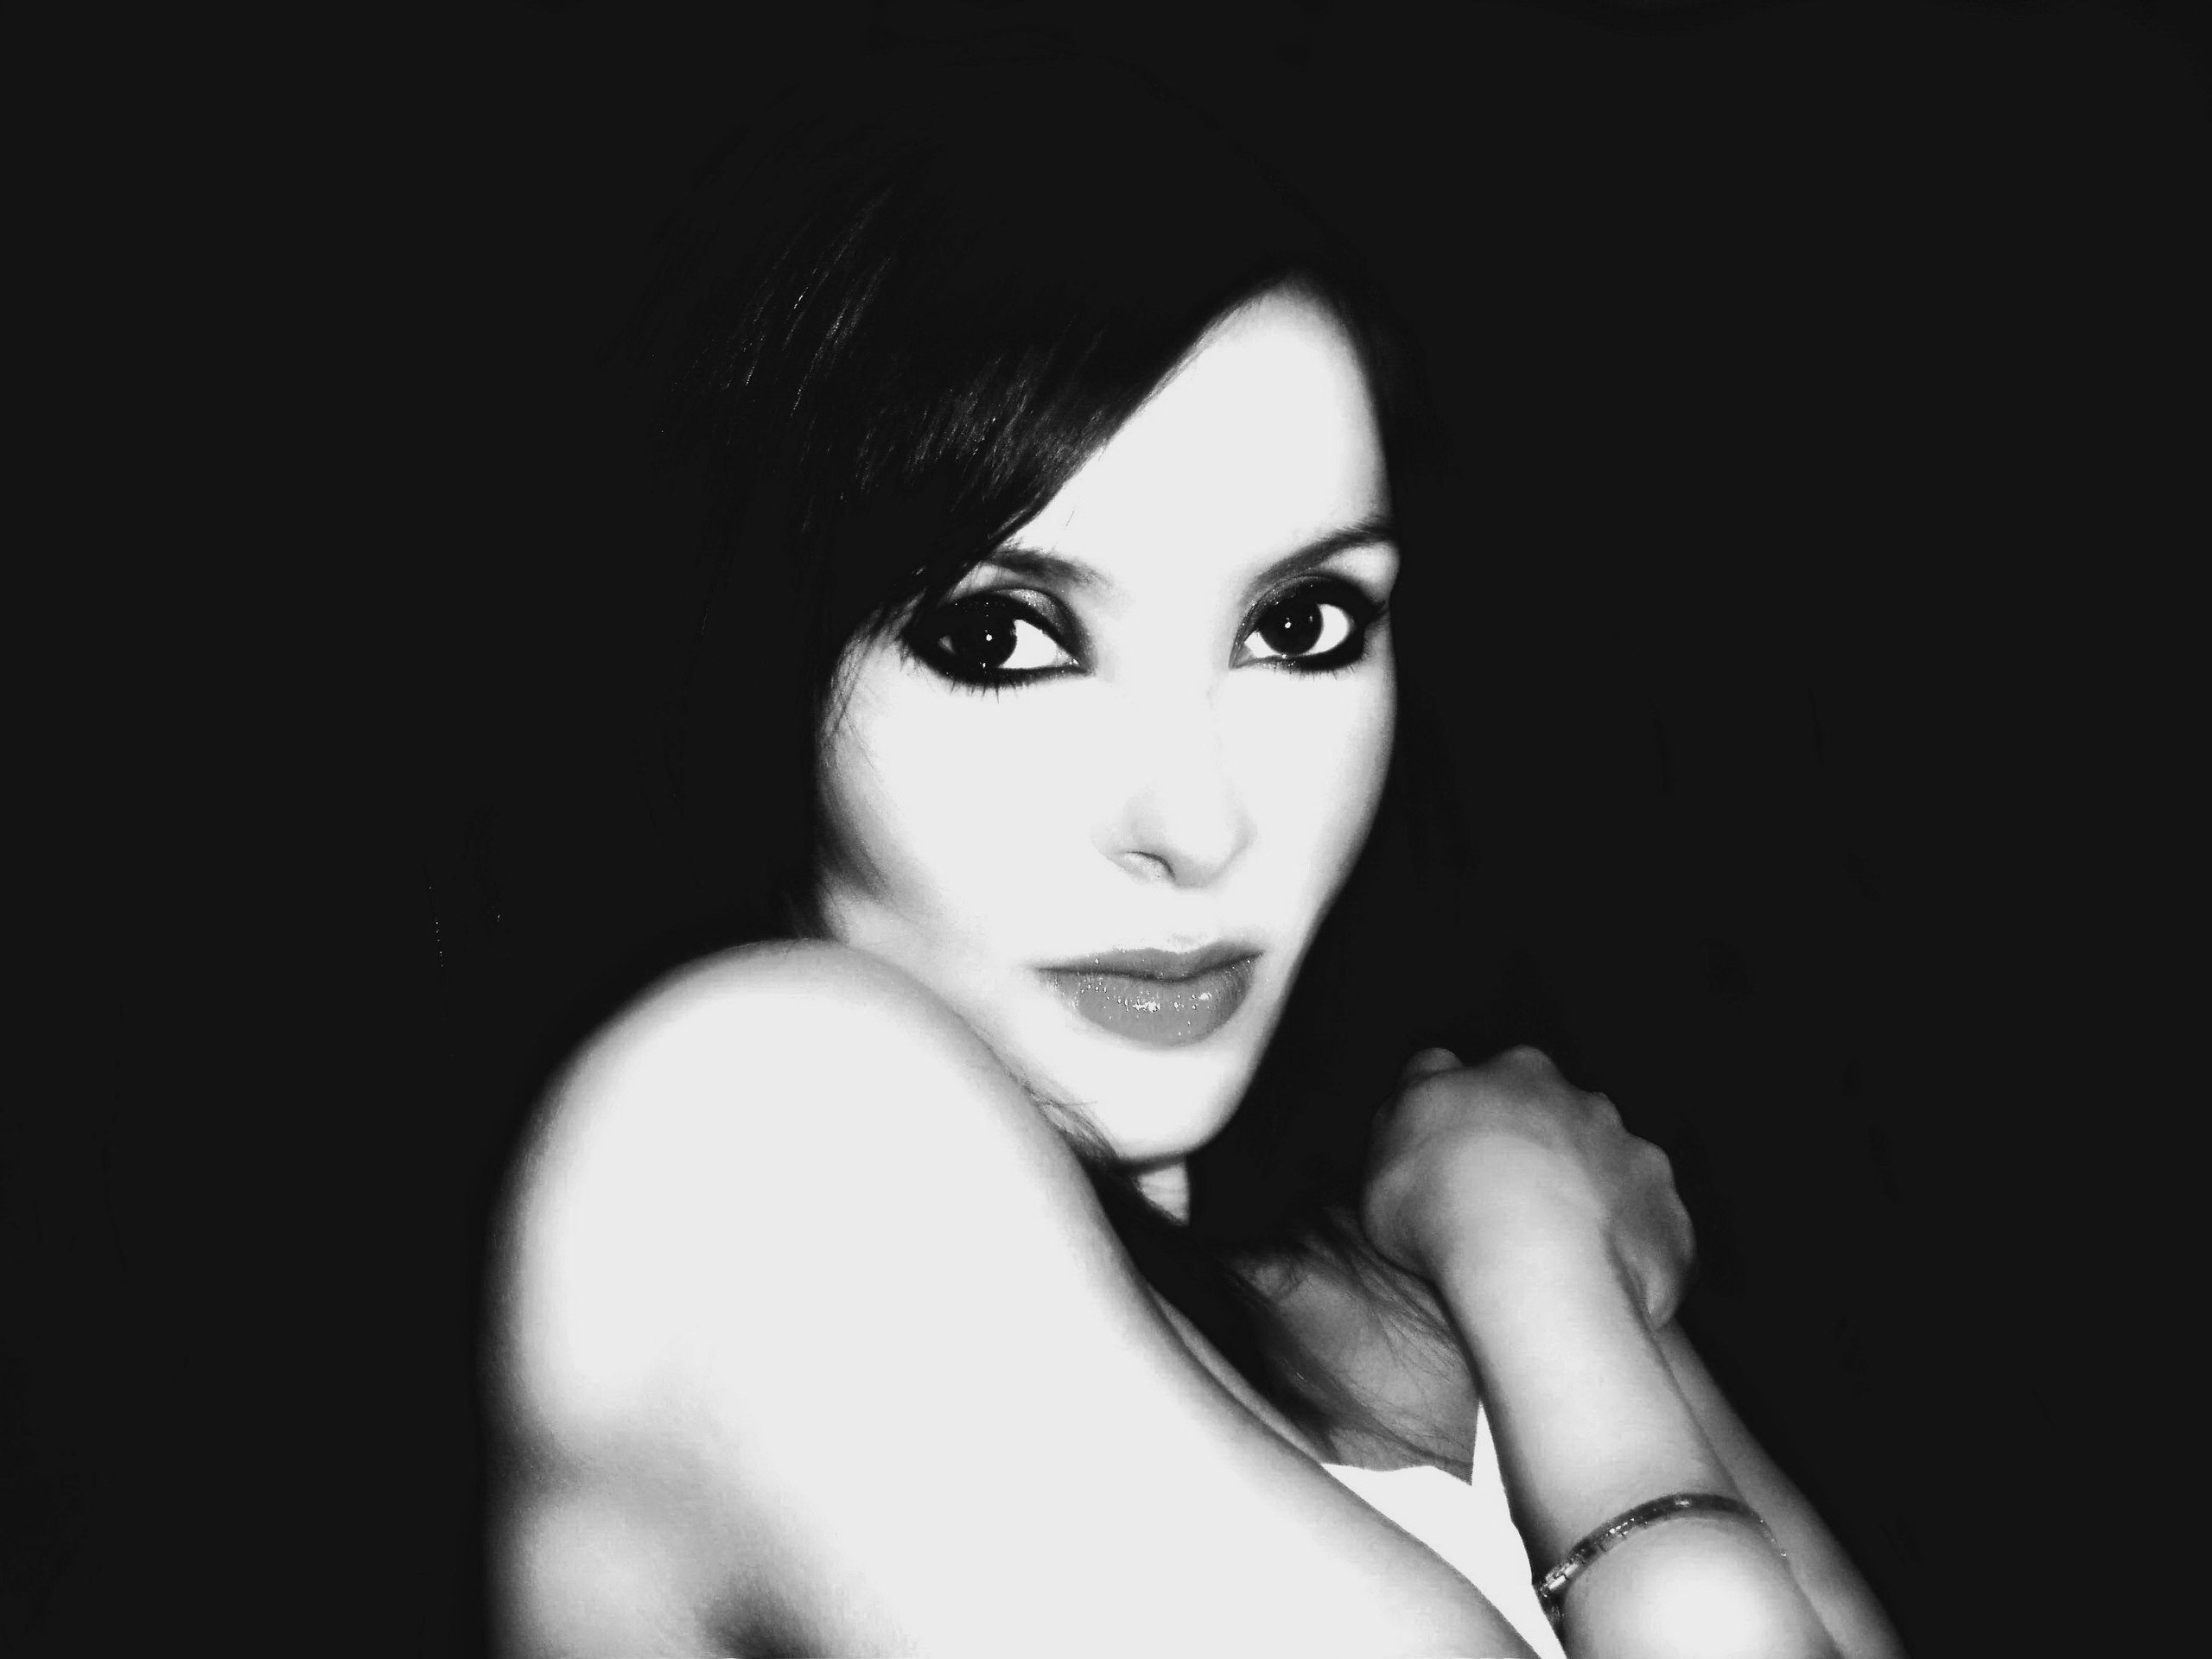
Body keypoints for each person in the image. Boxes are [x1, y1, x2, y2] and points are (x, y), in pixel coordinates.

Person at [482, 35, 1907, 1658]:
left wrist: (1518, 1269)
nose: (1198, 821)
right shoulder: (735, 1142)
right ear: (749, 660)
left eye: (1301, 626)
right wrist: (1544, 1275)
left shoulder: (1396, 1241)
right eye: (1003, 639)